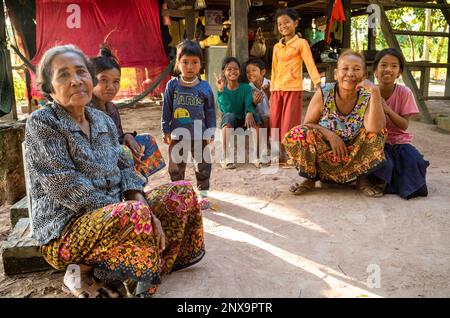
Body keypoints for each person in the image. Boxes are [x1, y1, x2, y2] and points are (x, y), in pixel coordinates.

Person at [25, 44, 205, 298]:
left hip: (116, 216)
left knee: (181, 193)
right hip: (65, 231)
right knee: (134, 214)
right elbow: (66, 185)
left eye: (81, 72)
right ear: (49, 88)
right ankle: (105, 271)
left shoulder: (103, 121)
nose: (76, 81)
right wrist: (131, 212)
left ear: (89, 77)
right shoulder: (43, 123)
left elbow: (126, 168)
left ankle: (137, 264)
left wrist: (142, 205)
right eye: (63, 75)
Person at [283, 50, 387, 196]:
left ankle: (362, 180)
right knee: (298, 134)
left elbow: (374, 128)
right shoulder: (324, 92)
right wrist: (331, 136)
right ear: (336, 73)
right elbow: (308, 125)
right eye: (345, 69)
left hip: (354, 154)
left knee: (379, 132)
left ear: (364, 75)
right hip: (326, 153)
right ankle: (310, 179)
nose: (350, 73)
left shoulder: (367, 96)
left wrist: (375, 92)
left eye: (356, 69)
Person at [90, 44, 165, 182]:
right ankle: (128, 186)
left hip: (117, 152)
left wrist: (128, 136)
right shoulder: (86, 111)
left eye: (116, 82)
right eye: (103, 80)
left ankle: (137, 183)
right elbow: (100, 147)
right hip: (99, 163)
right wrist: (125, 152)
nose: (111, 87)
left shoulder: (111, 108)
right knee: (127, 153)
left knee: (146, 141)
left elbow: (117, 136)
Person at [161, 40, 216, 209]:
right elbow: (167, 108)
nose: (190, 66)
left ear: (201, 64)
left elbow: (211, 111)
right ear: (178, 63)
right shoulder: (172, 85)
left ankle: (203, 195)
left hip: (200, 134)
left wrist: (210, 131)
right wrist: (165, 129)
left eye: (194, 62)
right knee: (176, 166)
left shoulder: (205, 87)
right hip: (178, 135)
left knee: (203, 166)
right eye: (185, 62)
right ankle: (178, 194)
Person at [369, 48, 429, 199]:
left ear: (399, 72)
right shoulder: (368, 92)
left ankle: (391, 181)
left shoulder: (405, 92)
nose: (388, 69)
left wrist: (387, 109)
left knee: (416, 162)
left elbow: (404, 125)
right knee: (384, 165)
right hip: (375, 141)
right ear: (375, 70)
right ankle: (387, 179)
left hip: (399, 141)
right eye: (383, 65)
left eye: (394, 66)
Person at [270, 8, 321, 164]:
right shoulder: (276, 47)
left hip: (293, 88)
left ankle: (292, 155)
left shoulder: (301, 43)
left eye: (286, 22)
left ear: (296, 23)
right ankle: (278, 155)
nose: (283, 26)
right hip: (277, 89)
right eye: (280, 24)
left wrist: (318, 82)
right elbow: (274, 69)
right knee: (275, 123)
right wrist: (272, 89)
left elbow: (309, 63)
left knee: (289, 123)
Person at [216, 56, 263, 169]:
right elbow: (225, 110)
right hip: (230, 121)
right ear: (224, 72)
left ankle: (256, 157)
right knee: (228, 116)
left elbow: (248, 103)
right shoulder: (222, 89)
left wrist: (249, 112)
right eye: (229, 69)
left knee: (255, 118)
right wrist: (221, 91)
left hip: (244, 120)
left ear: (239, 71)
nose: (233, 71)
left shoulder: (245, 87)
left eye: (235, 69)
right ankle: (225, 157)